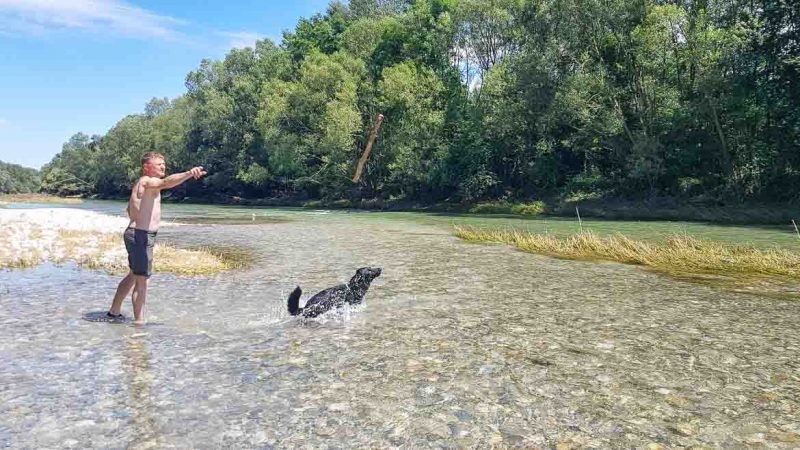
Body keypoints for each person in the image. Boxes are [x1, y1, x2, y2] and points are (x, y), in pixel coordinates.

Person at [106, 152, 207, 324]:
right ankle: (139, 324)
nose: (163, 166)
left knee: (133, 275)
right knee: (142, 282)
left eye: (164, 163)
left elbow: (129, 210)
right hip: (141, 236)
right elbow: (167, 182)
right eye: (158, 164)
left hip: (136, 234)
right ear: (146, 167)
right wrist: (189, 173)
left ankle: (114, 312)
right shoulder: (148, 181)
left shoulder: (141, 185)